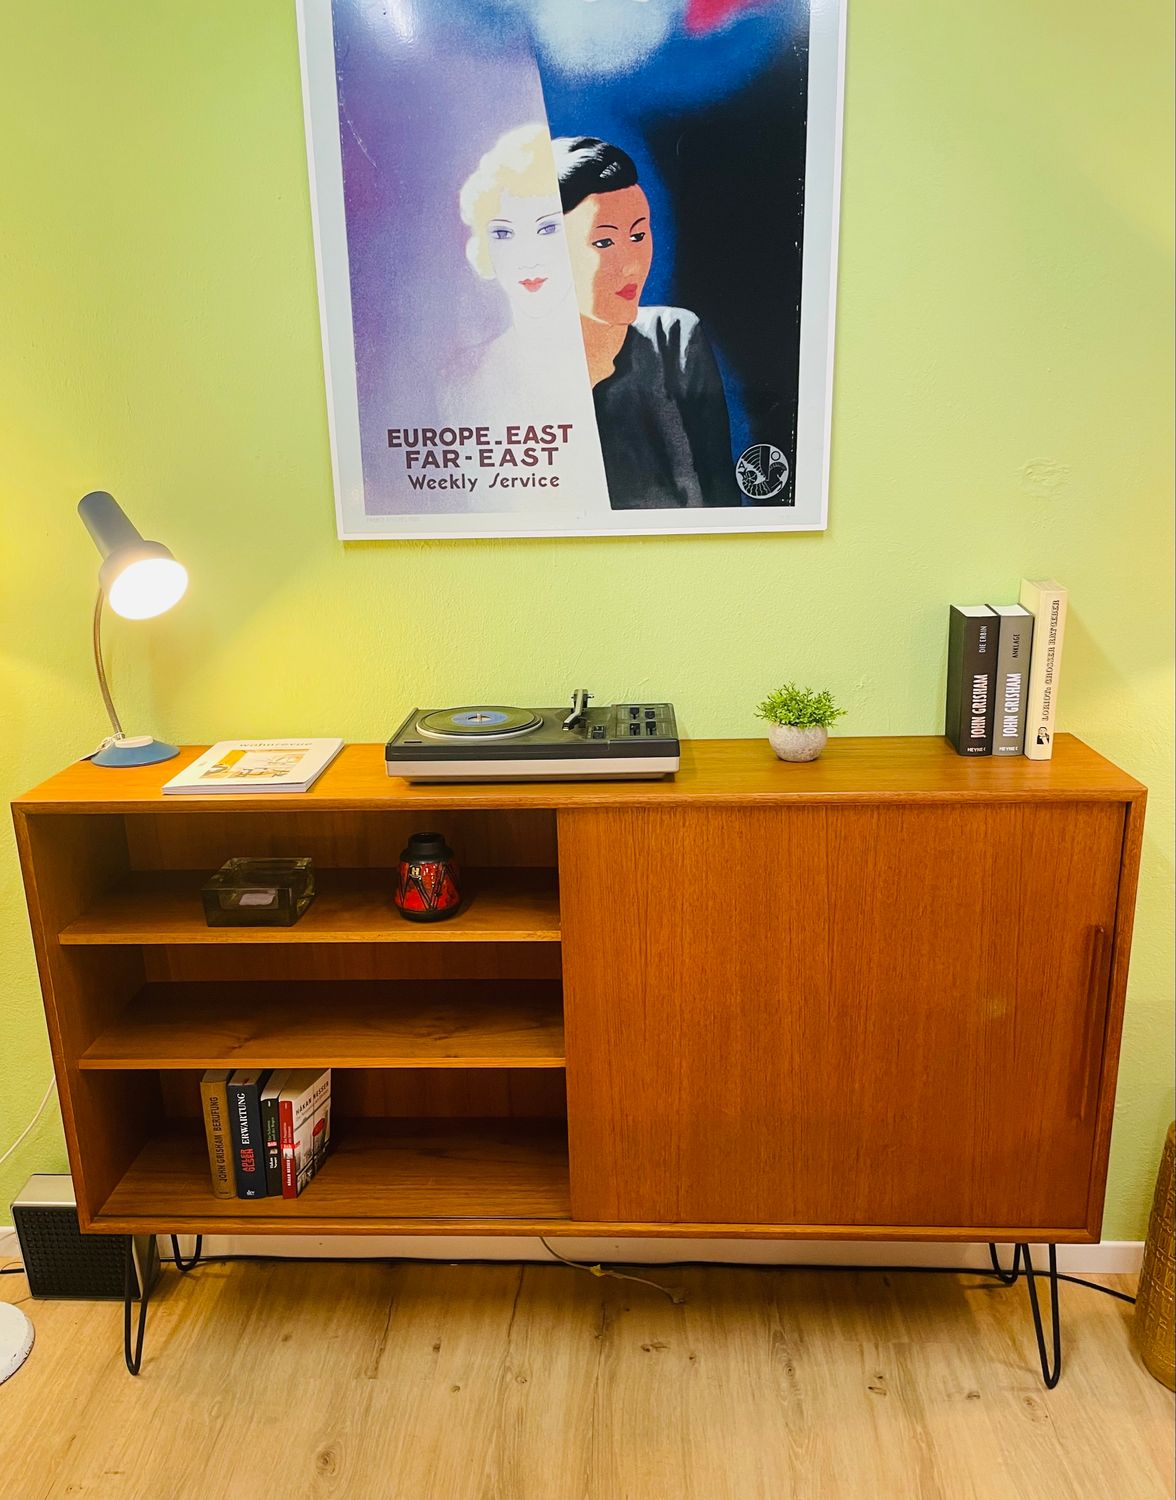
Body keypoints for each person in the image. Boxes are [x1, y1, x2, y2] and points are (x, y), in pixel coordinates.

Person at [553, 135, 740, 508]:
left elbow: (722, 496)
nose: (632, 264)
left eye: (639, 235)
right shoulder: (508, 370)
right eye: (604, 242)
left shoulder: (675, 339)